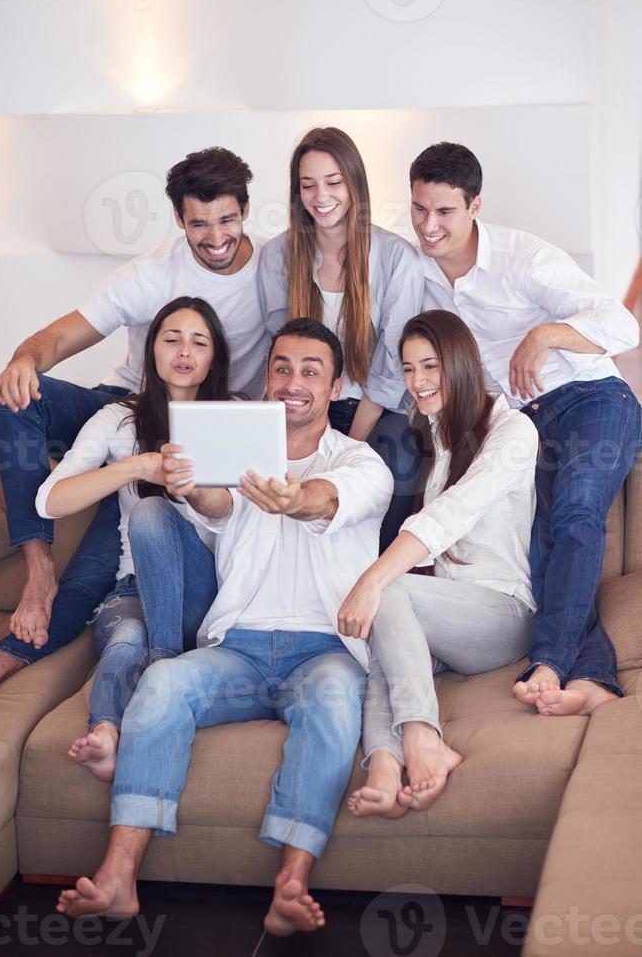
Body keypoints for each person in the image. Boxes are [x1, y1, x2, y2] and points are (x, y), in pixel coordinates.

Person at [56, 318, 393, 936]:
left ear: (336, 385)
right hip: (236, 647)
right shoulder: (238, 453)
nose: (293, 382)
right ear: (266, 378)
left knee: (336, 701)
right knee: (161, 685)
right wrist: (194, 487)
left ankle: (292, 881)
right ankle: (118, 876)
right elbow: (218, 508)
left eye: (310, 371)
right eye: (282, 368)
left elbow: (326, 498)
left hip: (324, 651)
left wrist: (297, 499)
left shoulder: (362, 461)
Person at [0, 146, 268, 692]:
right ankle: (38, 569)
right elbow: (59, 336)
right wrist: (22, 360)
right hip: (132, 405)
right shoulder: (151, 275)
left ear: (246, 210)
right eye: (198, 223)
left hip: (211, 420)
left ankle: (26, 648)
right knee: (14, 397)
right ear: (179, 220)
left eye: (227, 220)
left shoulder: (277, 270)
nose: (214, 236)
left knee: (104, 561)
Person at [410, 141, 641, 715]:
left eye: (444, 212)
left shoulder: (524, 258)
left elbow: (622, 324)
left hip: (591, 398)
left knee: (578, 512)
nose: (430, 226)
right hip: (521, 421)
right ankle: (591, 678)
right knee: (538, 546)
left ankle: (551, 663)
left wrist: (545, 335)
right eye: (420, 210)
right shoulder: (415, 272)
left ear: (474, 206)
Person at [338, 310, 538, 817]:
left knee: (391, 591)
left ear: (462, 363)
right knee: (384, 652)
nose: (418, 382)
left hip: (502, 614)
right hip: (450, 618)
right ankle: (384, 765)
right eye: (408, 369)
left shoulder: (513, 431)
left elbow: (451, 515)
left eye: (431, 366)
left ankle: (425, 739)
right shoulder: (435, 432)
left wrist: (373, 578)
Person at [33, 297, 227, 780]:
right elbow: (48, 501)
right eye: (171, 339)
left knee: (150, 511)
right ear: (151, 351)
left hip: (211, 598)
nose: (184, 351)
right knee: (127, 636)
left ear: (214, 357)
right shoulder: (119, 420)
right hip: (133, 593)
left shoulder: (236, 417)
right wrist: (139, 465)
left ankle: (163, 666)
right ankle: (106, 731)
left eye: (198, 342)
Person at [258, 126, 425, 548]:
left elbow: (391, 364)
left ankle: (379, 573)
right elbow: (278, 350)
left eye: (333, 182)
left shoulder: (395, 257)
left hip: (372, 409)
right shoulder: (278, 256)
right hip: (304, 404)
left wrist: (346, 447)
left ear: (354, 184)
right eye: (308, 185)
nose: (321, 196)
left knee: (399, 457)